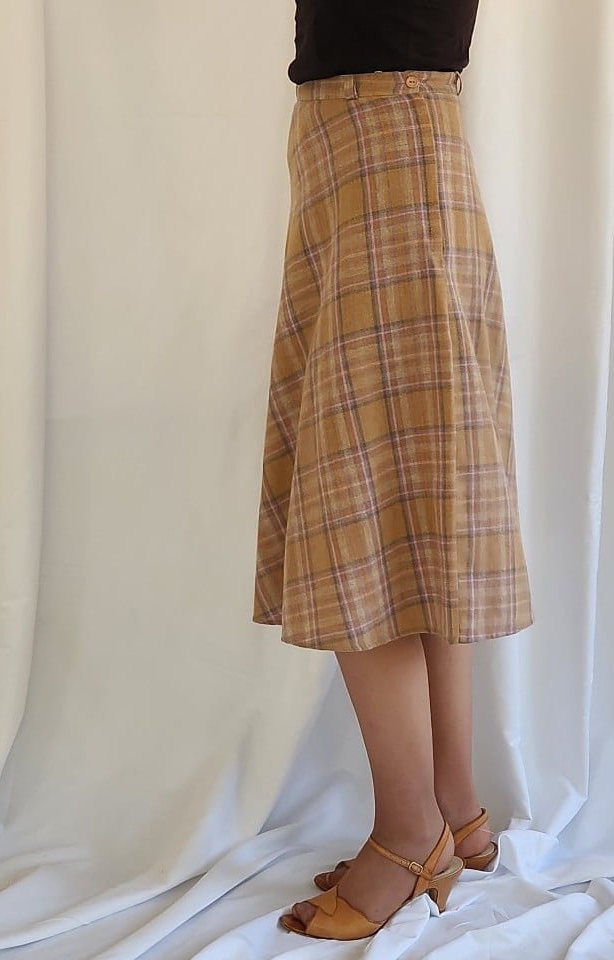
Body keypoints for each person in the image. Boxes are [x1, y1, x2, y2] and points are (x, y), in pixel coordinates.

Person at [252, 0, 534, 941]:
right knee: (411, 495)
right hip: (370, 137)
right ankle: (453, 808)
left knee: (367, 495)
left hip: (386, 133)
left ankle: (412, 833)